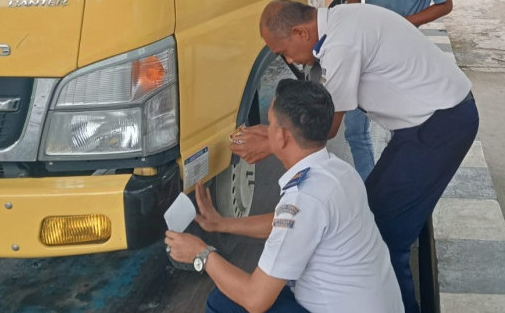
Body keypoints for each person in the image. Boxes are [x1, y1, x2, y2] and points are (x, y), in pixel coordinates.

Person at [233, 0, 479, 312]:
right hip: (426, 123)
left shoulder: (341, 44)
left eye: (283, 51)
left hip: (440, 125)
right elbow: (304, 118)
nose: (287, 59)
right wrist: (271, 130)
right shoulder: (340, 23)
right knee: (376, 220)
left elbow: (322, 129)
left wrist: (271, 140)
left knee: (388, 237)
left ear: (299, 31)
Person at [166, 79, 403, 313]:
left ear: (281, 136)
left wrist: (201, 253)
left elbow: (255, 299)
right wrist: (223, 224)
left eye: (268, 124)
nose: (264, 131)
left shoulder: (305, 198)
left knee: (224, 302)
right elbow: (288, 223)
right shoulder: (340, 172)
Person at [343, 0, 453, 180]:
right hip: (365, 47)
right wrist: (357, 12)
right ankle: (369, 185)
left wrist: (405, 24)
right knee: (354, 127)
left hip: (401, 55)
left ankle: (393, 185)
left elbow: (444, 4)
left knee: (400, 127)